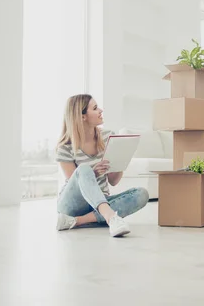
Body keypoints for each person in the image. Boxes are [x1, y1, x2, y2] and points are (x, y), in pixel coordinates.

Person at [55, 94, 149, 237]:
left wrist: (121, 161)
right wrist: (94, 173)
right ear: (82, 117)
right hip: (72, 205)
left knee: (142, 194)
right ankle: (111, 218)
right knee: (84, 169)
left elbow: (113, 181)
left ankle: (77, 221)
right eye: (95, 108)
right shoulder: (65, 147)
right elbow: (74, 182)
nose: (101, 110)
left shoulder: (107, 137)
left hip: (100, 202)